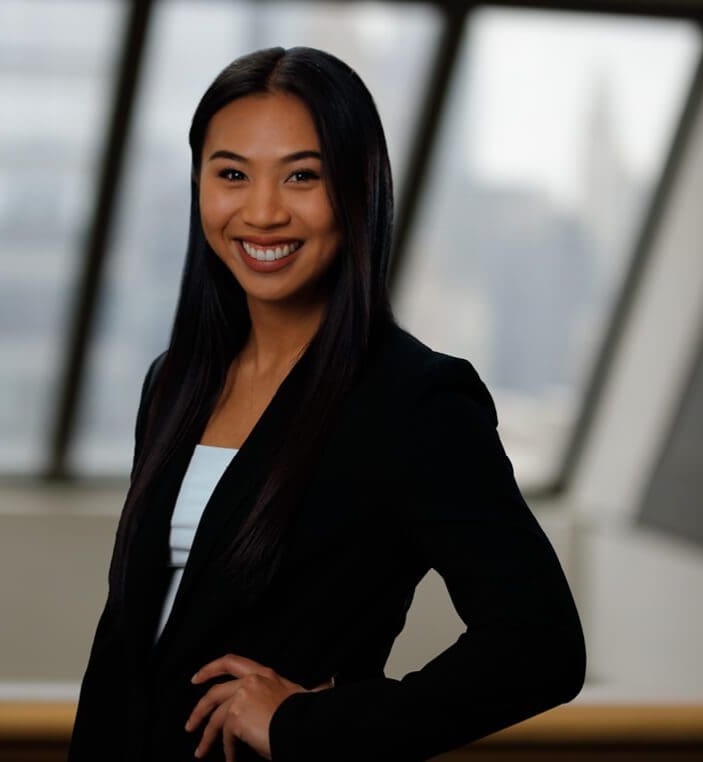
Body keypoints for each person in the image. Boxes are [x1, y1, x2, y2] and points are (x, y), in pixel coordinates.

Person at [68, 46, 585, 762]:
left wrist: (313, 726)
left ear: (358, 189)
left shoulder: (416, 401)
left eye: (302, 176)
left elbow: (541, 644)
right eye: (231, 175)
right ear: (199, 186)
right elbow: (126, 635)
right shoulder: (176, 382)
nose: (262, 211)